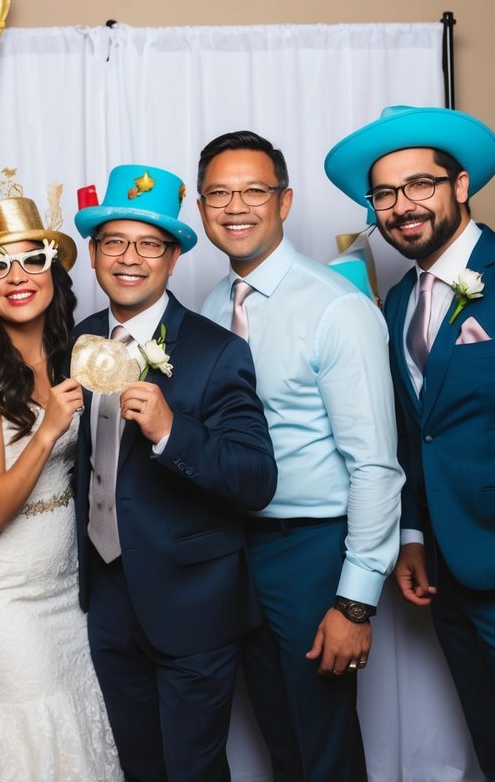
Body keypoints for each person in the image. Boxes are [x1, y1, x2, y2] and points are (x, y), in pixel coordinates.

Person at [196, 131, 404, 782]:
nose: (235, 206)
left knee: (322, 745)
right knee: (278, 740)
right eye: (218, 193)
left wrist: (353, 604)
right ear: (201, 208)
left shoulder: (335, 308)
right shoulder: (206, 308)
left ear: (283, 202)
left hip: (309, 553)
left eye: (253, 190)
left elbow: (374, 464)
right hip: (233, 552)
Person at [73, 164, 277, 782]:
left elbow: (256, 479)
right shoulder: (80, 339)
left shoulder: (217, 351)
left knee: (191, 770)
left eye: (150, 244)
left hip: (192, 603)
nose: (130, 258)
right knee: (136, 766)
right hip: (107, 595)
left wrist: (170, 431)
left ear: (171, 258)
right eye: (114, 242)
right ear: (93, 253)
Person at [325, 104, 495, 782]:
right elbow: (418, 430)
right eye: (385, 194)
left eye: (419, 184)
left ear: (459, 186)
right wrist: (414, 534)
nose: (401, 206)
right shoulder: (395, 300)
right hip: (450, 571)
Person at [0, 195, 123, 782]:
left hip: (64, 584)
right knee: (25, 727)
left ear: (53, 271)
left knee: (71, 722)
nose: (16, 278)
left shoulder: (76, 355)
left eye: (31, 261)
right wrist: (47, 431)